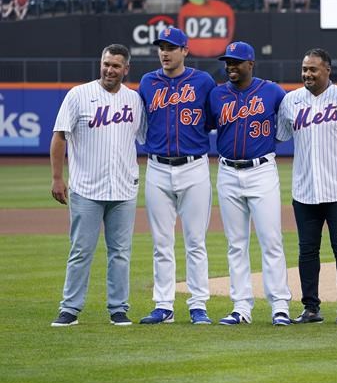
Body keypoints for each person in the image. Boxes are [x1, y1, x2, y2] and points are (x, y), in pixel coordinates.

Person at [50, 44, 146, 327]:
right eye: (106, 63)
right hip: (86, 189)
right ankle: (70, 308)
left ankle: (118, 309)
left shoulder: (134, 100)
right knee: (81, 251)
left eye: (116, 65)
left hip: (124, 189)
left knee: (120, 252)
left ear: (126, 69)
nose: (109, 69)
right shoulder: (78, 95)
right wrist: (57, 178)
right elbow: (59, 137)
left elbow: (141, 137)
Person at [276, 48, 337, 325]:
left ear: (328, 70)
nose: (307, 74)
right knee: (307, 250)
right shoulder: (291, 101)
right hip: (305, 188)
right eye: (304, 69)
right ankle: (310, 308)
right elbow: (281, 135)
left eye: (313, 69)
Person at [208, 41, 292, 326]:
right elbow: (207, 124)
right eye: (228, 61)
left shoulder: (272, 91)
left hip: (261, 171)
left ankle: (279, 305)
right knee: (236, 243)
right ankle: (241, 306)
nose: (231, 66)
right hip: (228, 171)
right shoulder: (217, 94)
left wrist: (270, 143)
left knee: (271, 240)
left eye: (236, 62)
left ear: (250, 64)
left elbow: (285, 126)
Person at [138, 27, 215, 325]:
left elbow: (210, 120)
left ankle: (198, 306)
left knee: (195, 241)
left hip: (194, 166)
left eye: (171, 47)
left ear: (185, 50)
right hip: (157, 167)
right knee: (161, 241)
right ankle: (164, 305)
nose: (165, 52)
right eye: (161, 47)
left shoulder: (203, 81)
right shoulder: (148, 82)